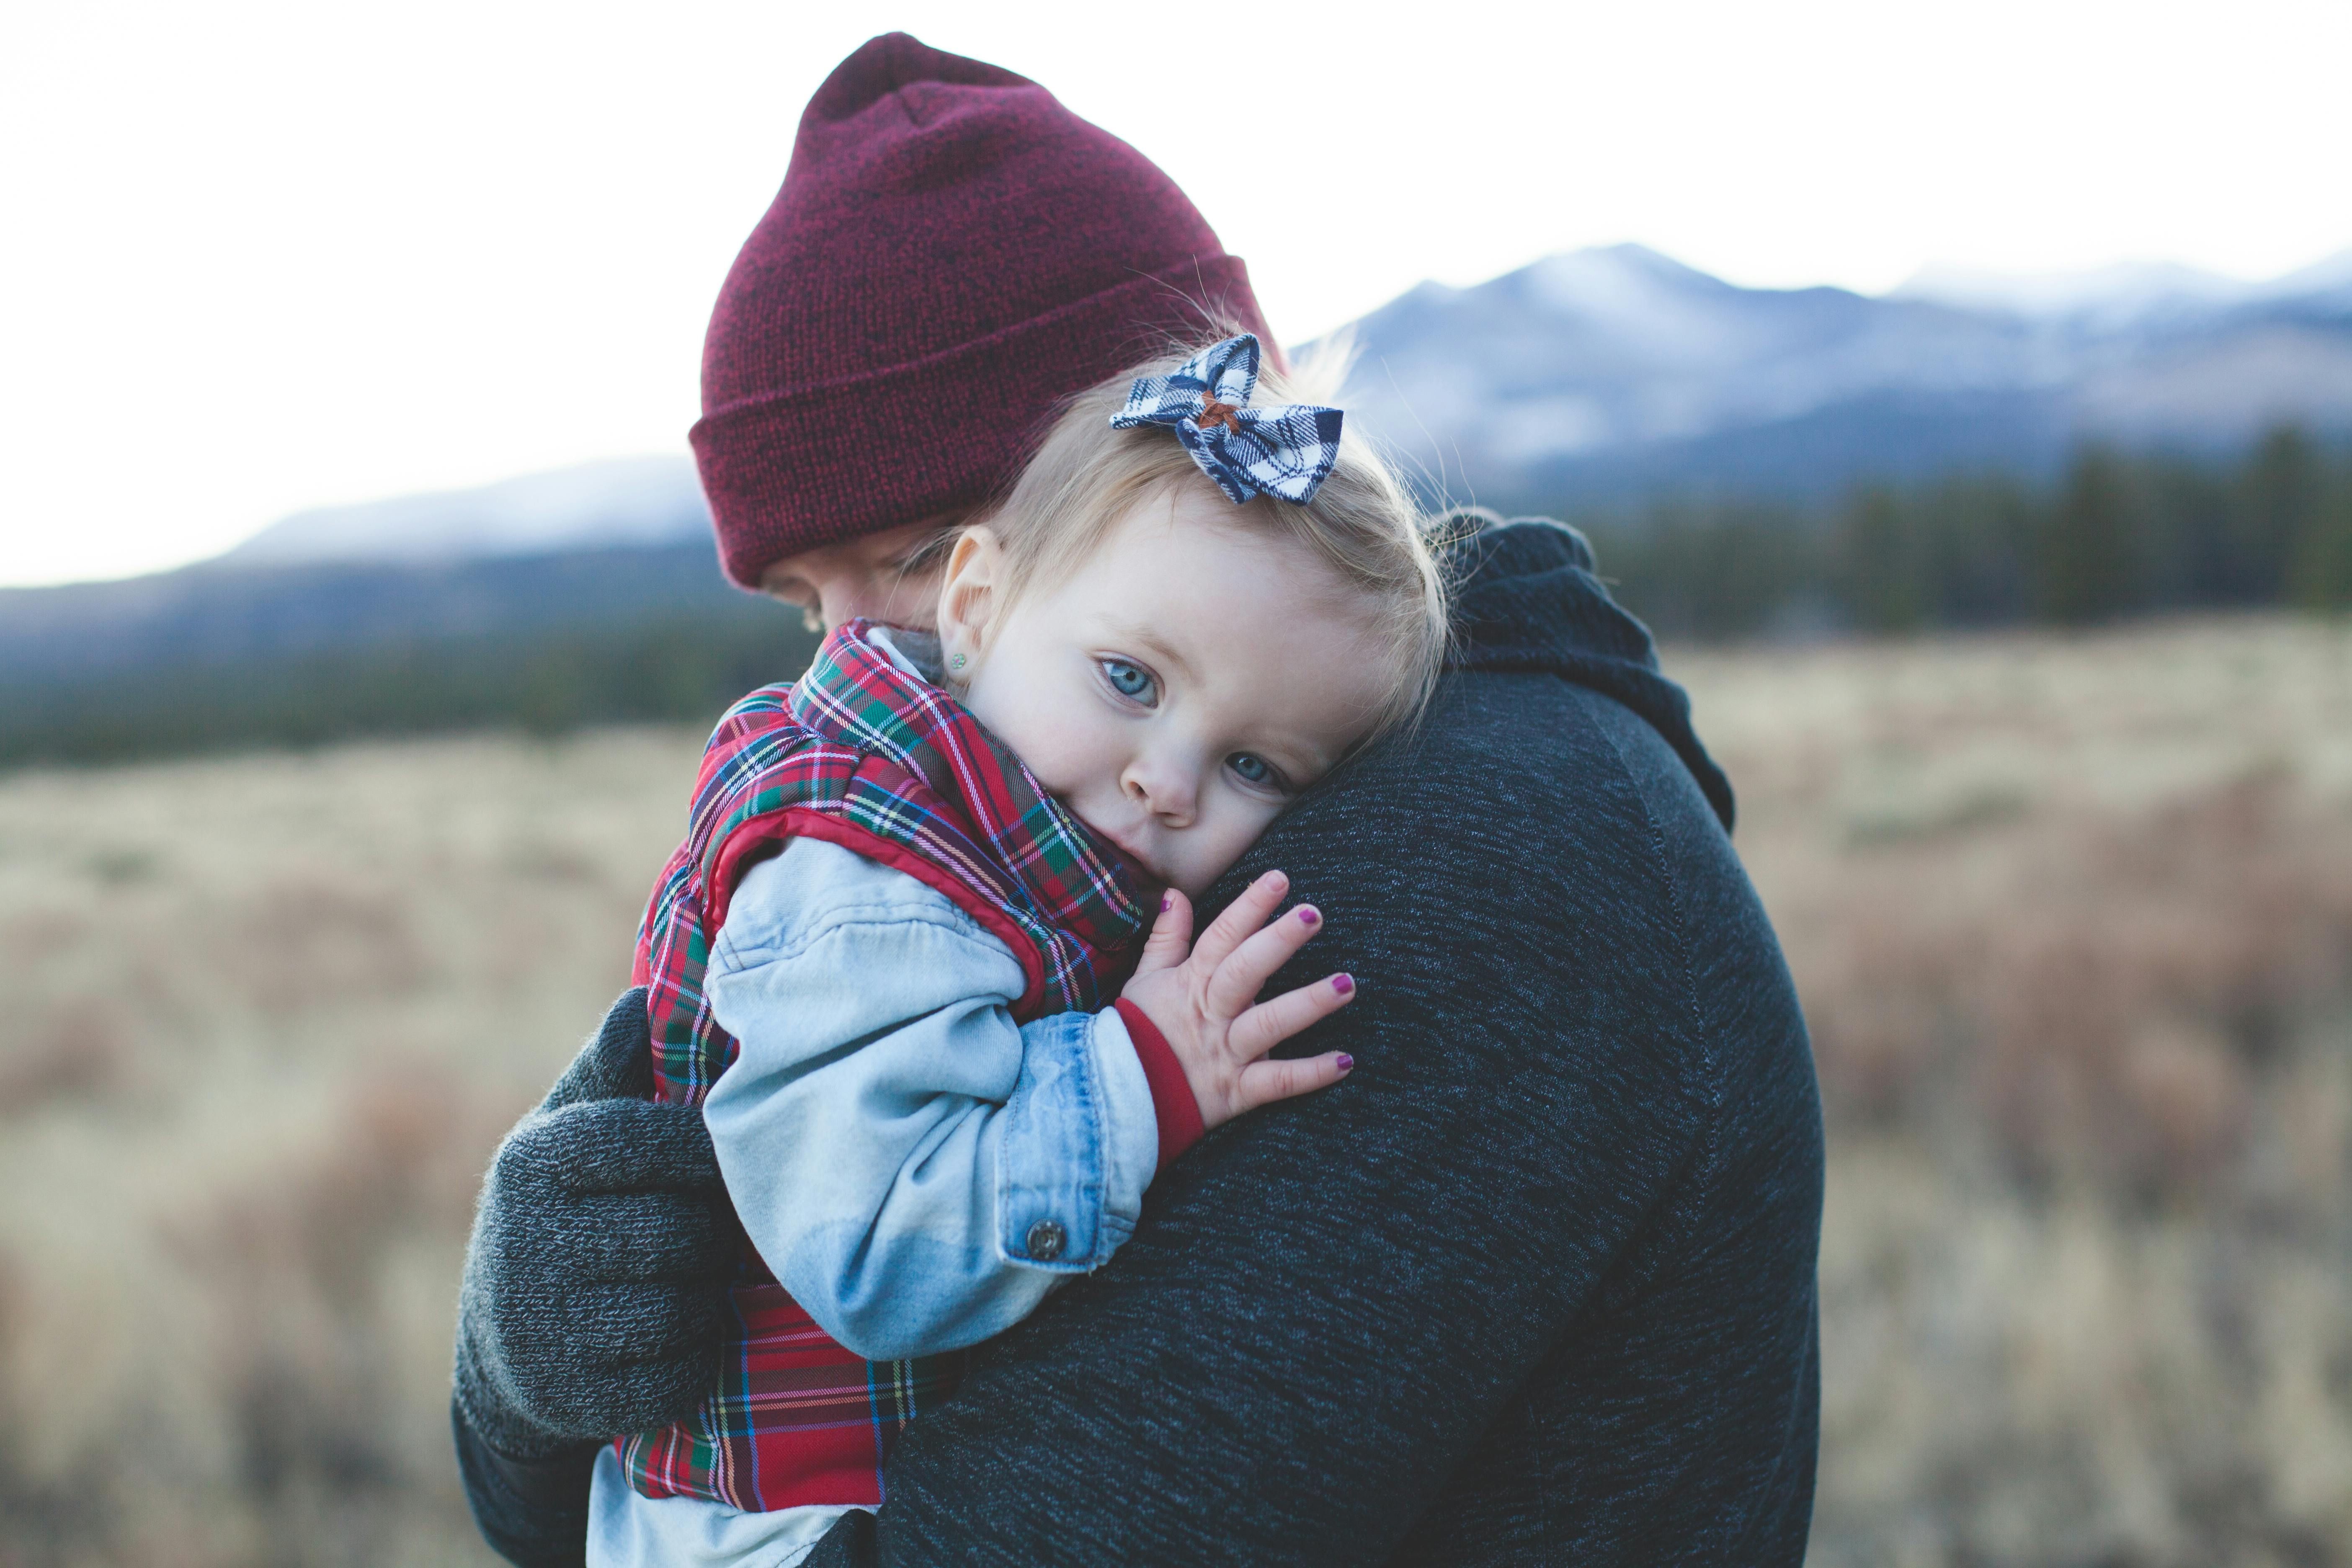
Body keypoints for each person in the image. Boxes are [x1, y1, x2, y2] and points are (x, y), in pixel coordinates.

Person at [454, 32, 1824, 1568]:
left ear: (1178, 456)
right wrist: (527, 1362)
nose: (850, 668)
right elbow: (565, 1499)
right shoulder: (1023, 837)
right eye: (800, 605)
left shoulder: (1476, 864)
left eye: (911, 558)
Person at [594, 333, 1447, 1564]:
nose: (1168, 782)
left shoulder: (1028, 832)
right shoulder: (866, 881)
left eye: (1254, 766)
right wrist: (1143, 1074)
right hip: (776, 1531)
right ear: (978, 607)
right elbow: (879, 1249)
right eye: (1129, 679)